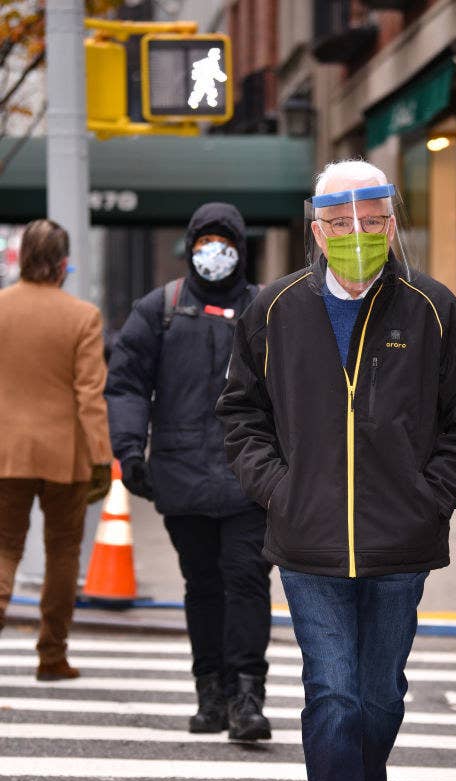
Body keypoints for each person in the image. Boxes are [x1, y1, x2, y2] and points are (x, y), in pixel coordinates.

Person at [217, 159, 456, 781]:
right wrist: (280, 489)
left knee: (379, 698)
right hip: (307, 546)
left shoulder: (431, 309)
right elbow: (240, 413)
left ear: (391, 222)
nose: (356, 236)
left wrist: (431, 495)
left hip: (400, 544)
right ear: (316, 227)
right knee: (332, 693)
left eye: (371, 222)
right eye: (339, 224)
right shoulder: (274, 309)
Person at [106, 203, 272, 742]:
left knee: (246, 583)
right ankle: (212, 694)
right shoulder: (162, 309)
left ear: (240, 250)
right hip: (181, 476)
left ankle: (247, 696)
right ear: (190, 245)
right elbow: (127, 382)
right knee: (203, 586)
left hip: (249, 477)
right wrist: (130, 450)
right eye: (205, 241)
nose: (215, 252)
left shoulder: (266, 309)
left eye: (225, 242)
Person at [0, 219, 112, 679]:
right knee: (63, 552)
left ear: (22, 257)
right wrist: (102, 458)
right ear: (64, 263)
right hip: (65, 456)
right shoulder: (82, 316)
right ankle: (52, 655)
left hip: (5, 452)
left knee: (4, 548)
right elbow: (90, 395)